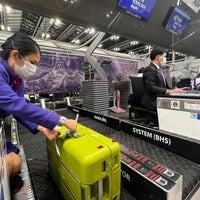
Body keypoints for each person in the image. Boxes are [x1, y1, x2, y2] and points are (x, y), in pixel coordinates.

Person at [0, 32, 77, 176]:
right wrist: (62, 120)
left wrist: (42, 127)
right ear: (15, 55)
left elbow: (18, 111)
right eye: (32, 63)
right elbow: (18, 106)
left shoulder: (17, 79)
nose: (33, 69)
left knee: (15, 163)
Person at [141, 48, 186, 124]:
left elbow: (162, 85)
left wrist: (175, 89)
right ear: (158, 57)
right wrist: (169, 91)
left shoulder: (158, 70)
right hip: (152, 101)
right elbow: (150, 87)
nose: (165, 59)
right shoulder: (149, 70)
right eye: (164, 56)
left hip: (159, 98)